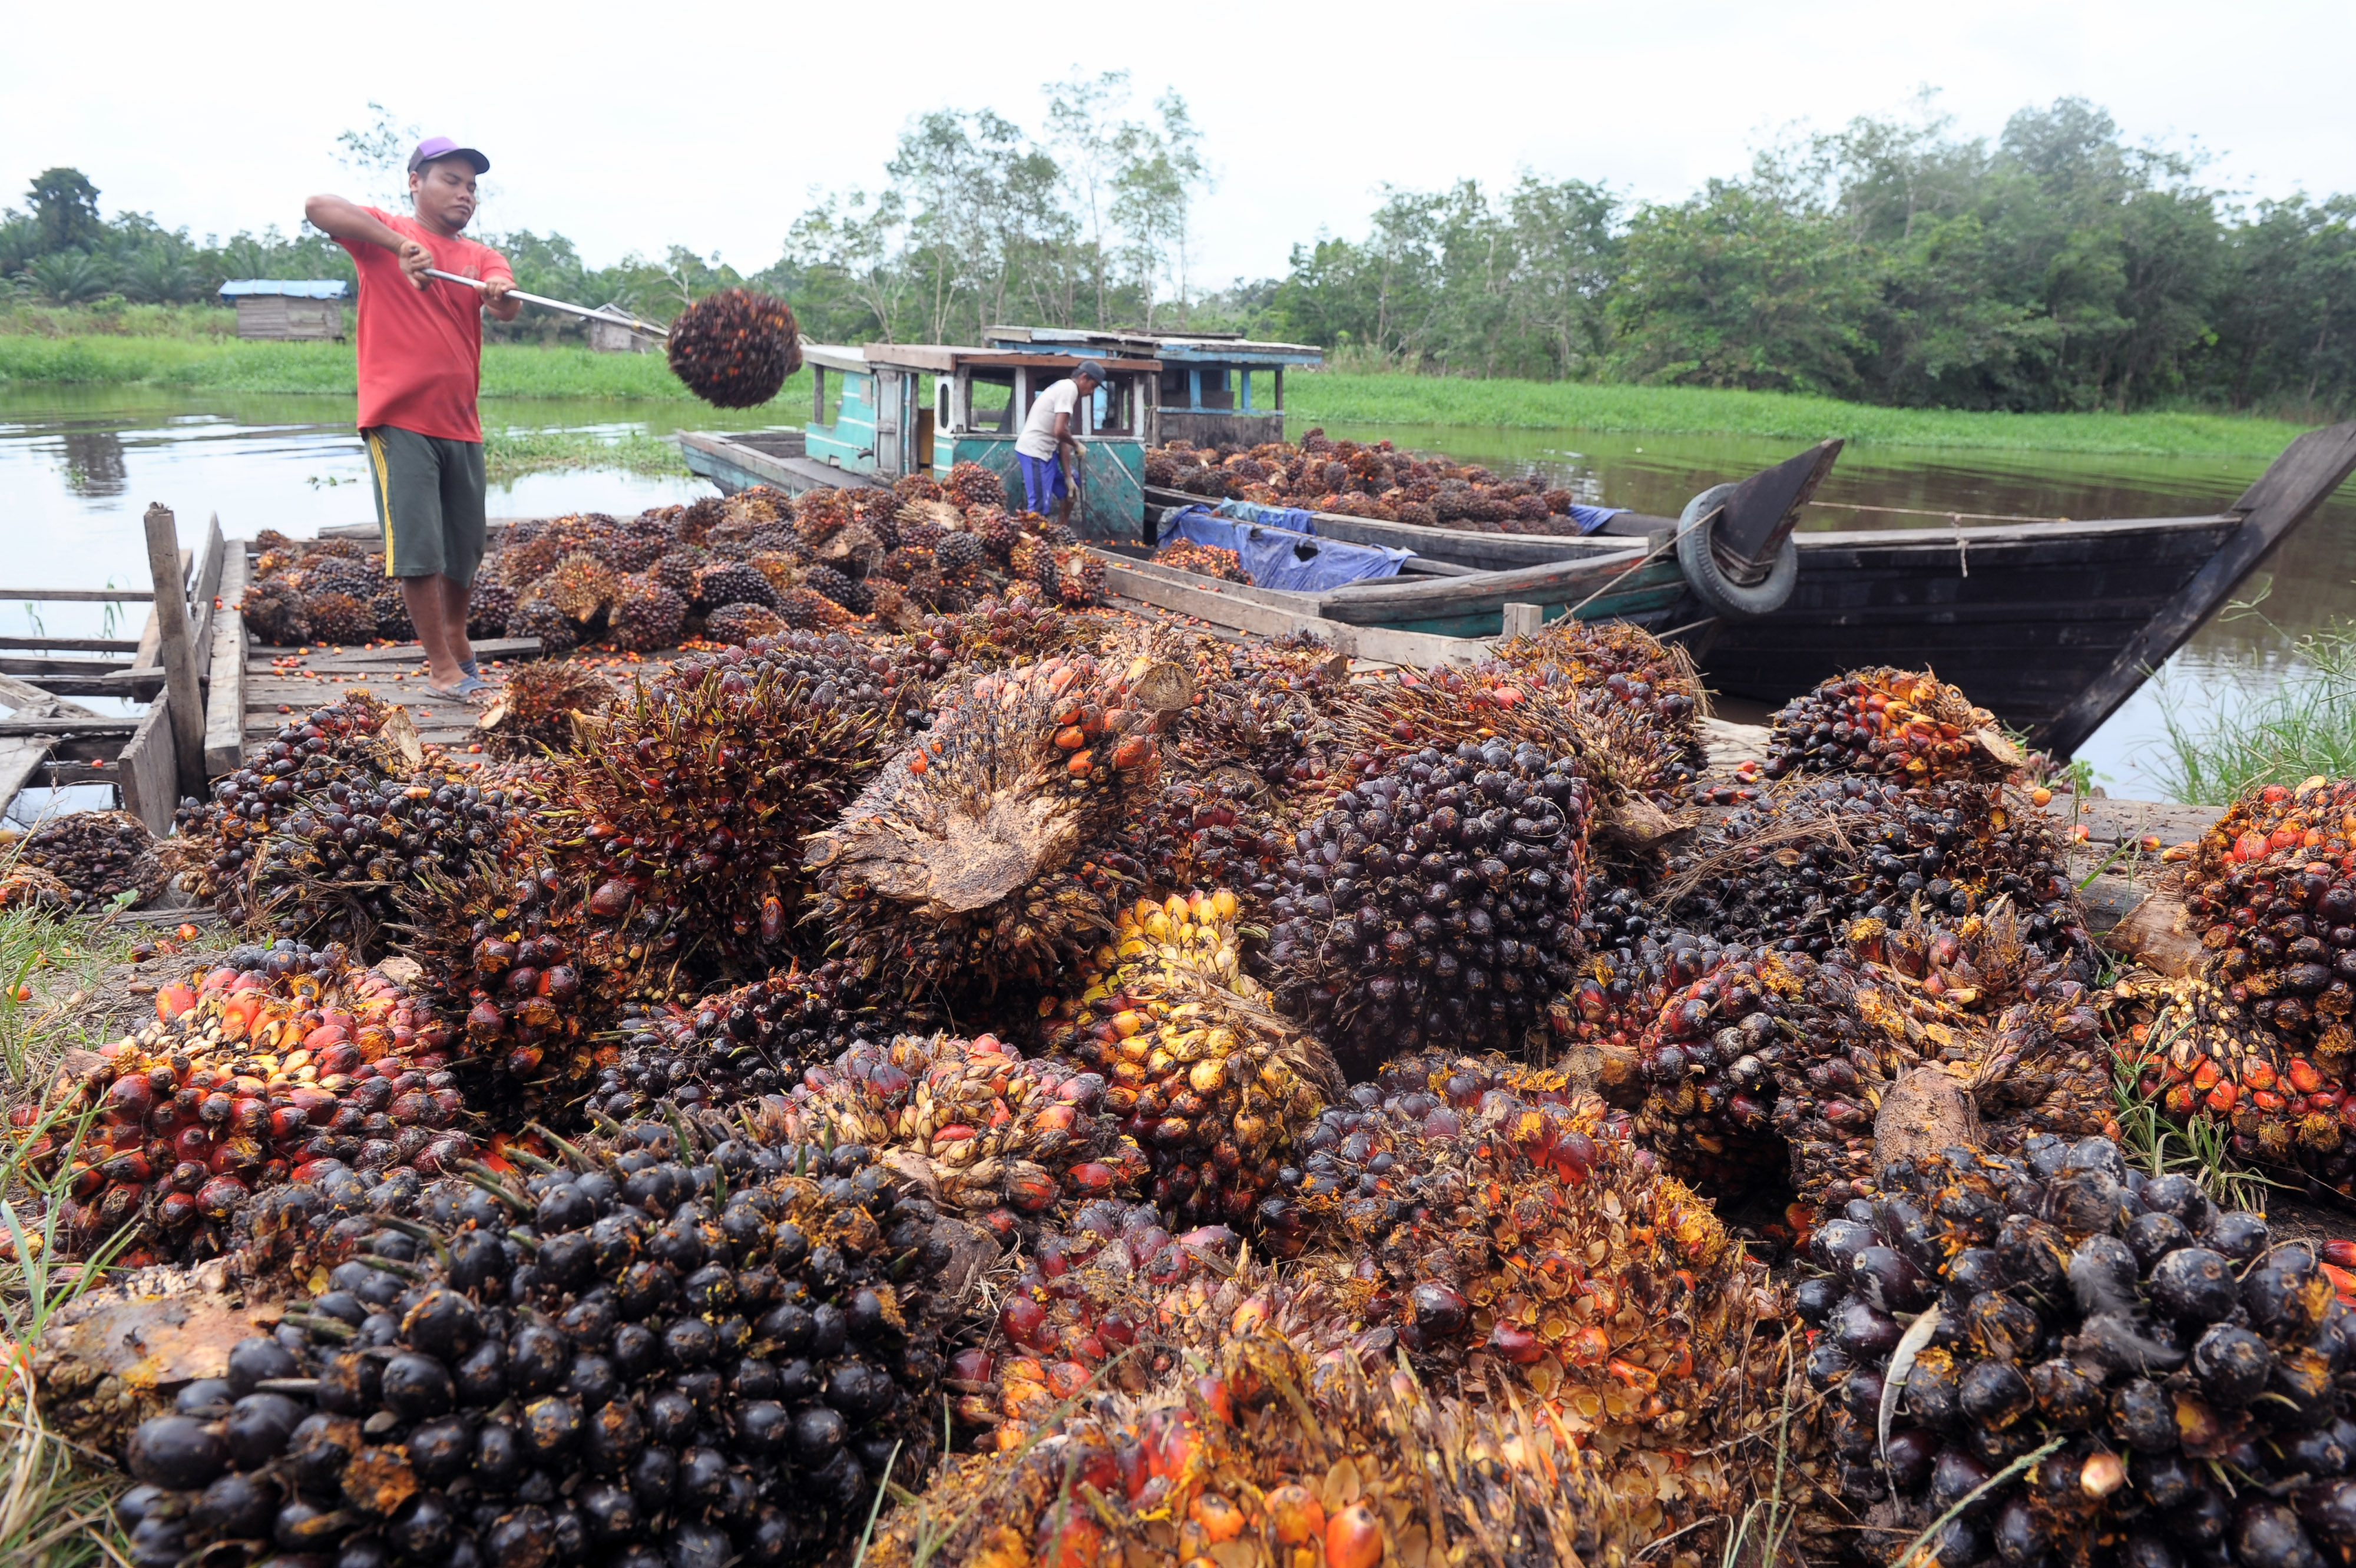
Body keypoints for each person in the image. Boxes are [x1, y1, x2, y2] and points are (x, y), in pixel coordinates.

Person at [305, 137, 519, 704]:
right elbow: (318, 206)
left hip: (461, 423)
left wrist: (498, 293)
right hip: (398, 418)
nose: (465, 193)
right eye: (451, 179)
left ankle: (456, 632)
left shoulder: (478, 256)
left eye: (472, 186)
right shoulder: (382, 235)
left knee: (467, 546)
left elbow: (507, 303)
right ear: (415, 182)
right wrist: (399, 245)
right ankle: (441, 665)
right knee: (419, 545)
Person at [1014, 359, 1105, 530]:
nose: (1091, 392)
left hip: (1048, 454)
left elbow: (1062, 438)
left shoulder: (1067, 392)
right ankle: (1030, 549)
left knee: (1071, 486)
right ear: (1084, 378)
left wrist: (1069, 477)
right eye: (1093, 386)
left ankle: (1061, 530)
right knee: (1039, 507)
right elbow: (1059, 432)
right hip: (1035, 452)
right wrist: (1077, 444)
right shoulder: (1068, 389)